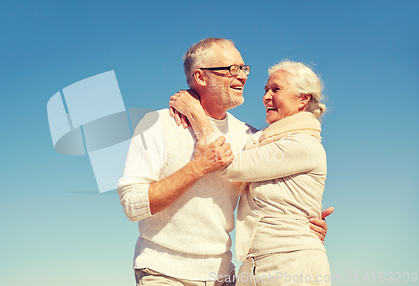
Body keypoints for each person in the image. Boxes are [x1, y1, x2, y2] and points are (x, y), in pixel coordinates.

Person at [118, 38, 331, 286]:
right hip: (165, 273)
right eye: (232, 69)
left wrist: (309, 225)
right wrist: (197, 168)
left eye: (244, 69)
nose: (242, 76)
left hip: (224, 277)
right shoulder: (158, 124)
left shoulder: (250, 136)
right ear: (200, 77)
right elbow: (133, 206)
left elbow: (287, 180)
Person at [169, 60, 331, 285]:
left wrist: (195, 112)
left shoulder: (303, 144)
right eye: (266, 90)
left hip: (292, 263)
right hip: (254, 266)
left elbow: (226, 162)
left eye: (276, 89)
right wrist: (200, 96)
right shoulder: (263, 140)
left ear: (303, 98)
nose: (266, 97)